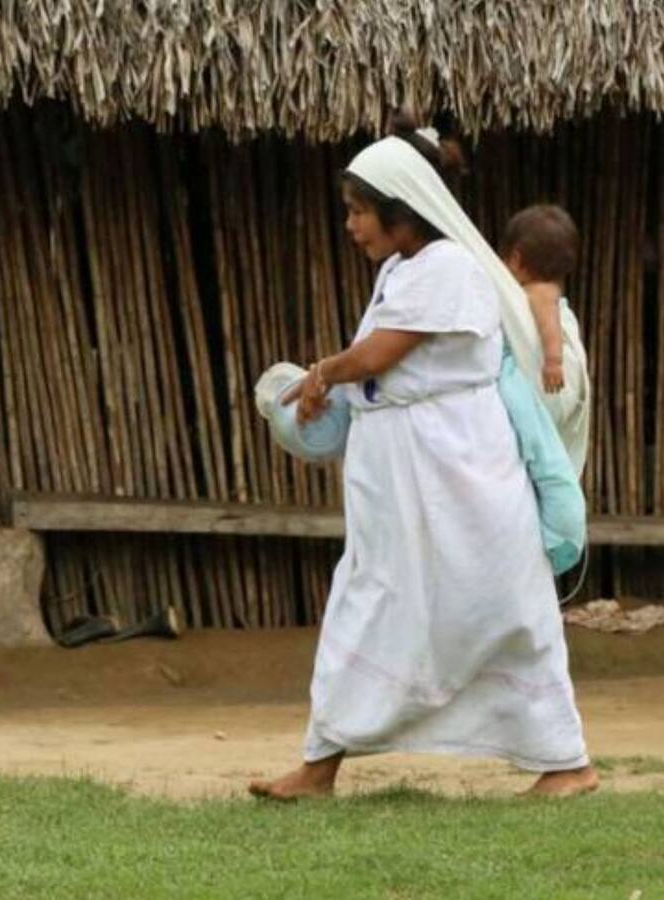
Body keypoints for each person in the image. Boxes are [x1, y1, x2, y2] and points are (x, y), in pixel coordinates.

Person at [248, 118, 597, 801]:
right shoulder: (403, 271)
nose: (351, 225)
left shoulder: (451, 269)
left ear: (401, 209)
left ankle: (567, 761)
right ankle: (321, 764)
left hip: (457, 475)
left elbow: (379, 357)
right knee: (370, 599)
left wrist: (324, 374)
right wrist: (330, 394)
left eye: (358, 211)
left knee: (501, 608)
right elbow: (379, 373)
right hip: (405, 480)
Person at [501, 205, 591, 476]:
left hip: (549, 378)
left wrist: (553, 360)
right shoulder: (544, 292)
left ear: (515, 259)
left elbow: (549, 325)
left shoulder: (539, 293)